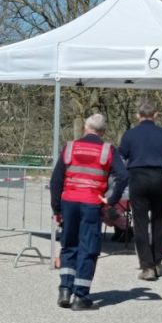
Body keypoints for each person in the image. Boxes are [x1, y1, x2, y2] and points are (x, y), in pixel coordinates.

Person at [51, 114, 128, 311]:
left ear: (85, 128)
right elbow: (123, 176)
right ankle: (81, 296)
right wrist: (110, 199)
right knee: (89, 248)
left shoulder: (69, 147)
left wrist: (57, 209)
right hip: (91, 204)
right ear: (102, 132)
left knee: (69, 245)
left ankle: (65, 290)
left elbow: (56, 180)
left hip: (69, 202)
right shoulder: (108, 150)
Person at [118, 101, 162, 281]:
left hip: (137, 178)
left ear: (137, 116)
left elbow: (120, 158)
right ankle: (157, 262)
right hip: (158, 178)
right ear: (155, 115)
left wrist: (117, 182)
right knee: (159, 221)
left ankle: (146, 265)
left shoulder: (130, 135)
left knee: (139, 223)